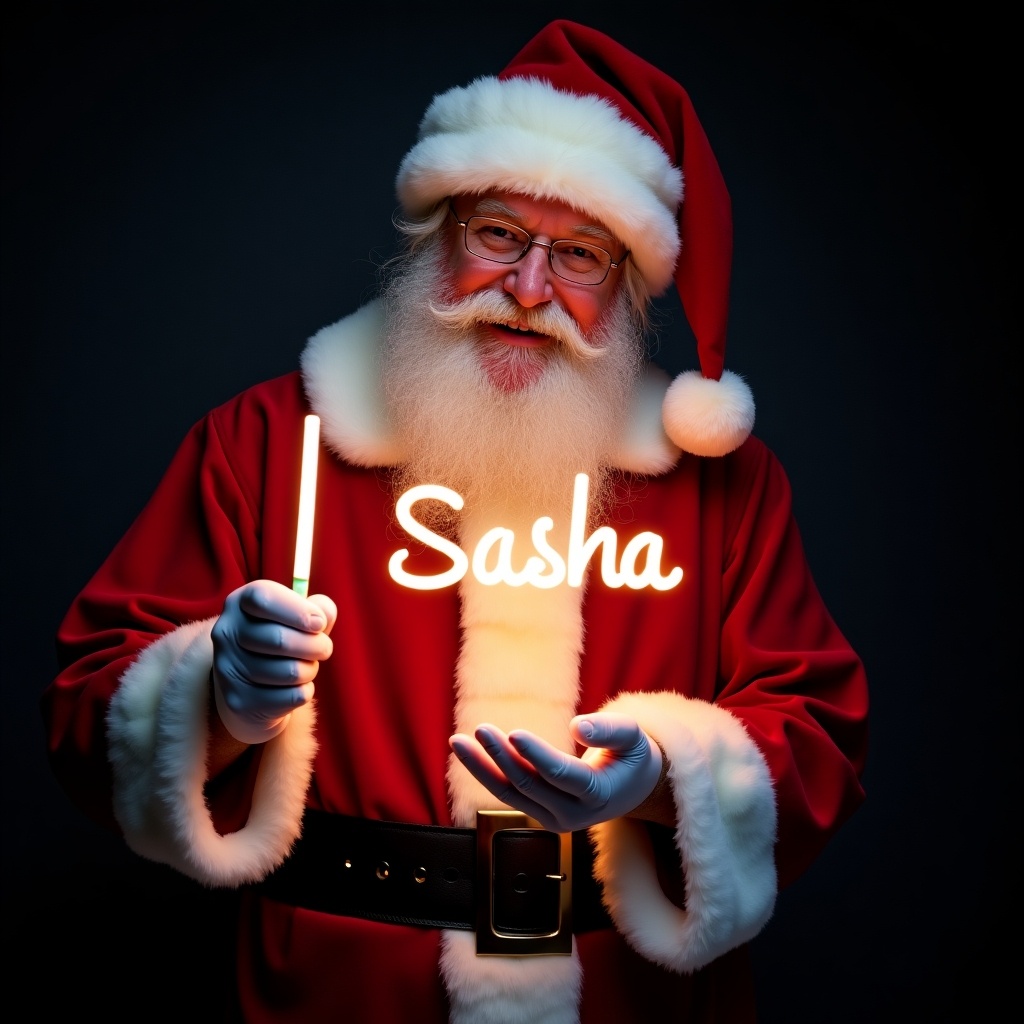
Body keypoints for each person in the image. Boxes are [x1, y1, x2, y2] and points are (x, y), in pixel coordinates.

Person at [41, 19, 868, 1024]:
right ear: (440, 232)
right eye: (498, 234)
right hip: (338, 994)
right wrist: (218, 696)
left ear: (630, 285)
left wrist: (659, 777)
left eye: (580, 255)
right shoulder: (267, 441)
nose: (527, 291)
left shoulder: (723, 485)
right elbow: (88, 703)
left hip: (631, 998)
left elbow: (817, 736)